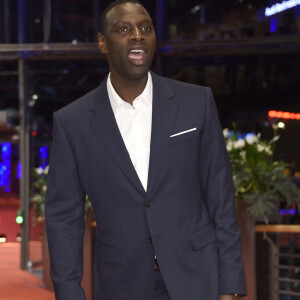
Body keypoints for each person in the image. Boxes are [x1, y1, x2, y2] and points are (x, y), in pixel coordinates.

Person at [45, 1, 247, 299]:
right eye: (123, 29)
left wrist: (230, 283)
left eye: (146, 28)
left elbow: (220, 198)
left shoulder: (197, 103)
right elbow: (64, 218)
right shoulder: (72, 123)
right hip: (120, 282)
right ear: (103, 42)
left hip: (196, 277)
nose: (137, 35)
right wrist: (68, 291)